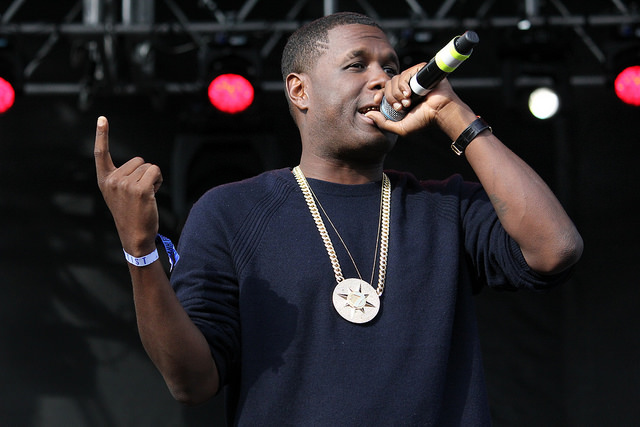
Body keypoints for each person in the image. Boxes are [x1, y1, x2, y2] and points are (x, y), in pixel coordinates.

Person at [94, 12, 583, 426]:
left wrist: (455, 114)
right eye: (357, 65)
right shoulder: (231, 212)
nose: (382, 79)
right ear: (299, 90)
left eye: (390, 67)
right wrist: (140, 251)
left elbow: (555, 249)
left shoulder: (445, 207)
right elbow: (191, 382)